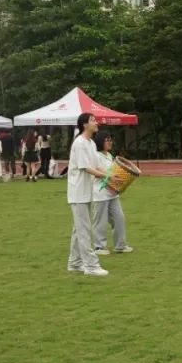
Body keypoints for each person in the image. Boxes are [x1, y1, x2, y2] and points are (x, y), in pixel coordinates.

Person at [68, 113, 110, 276]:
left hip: (86, 192)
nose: (96, 122)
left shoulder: (91, 143)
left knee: (78, 229)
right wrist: (107, 176)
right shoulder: (79, 143)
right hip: (77, 193)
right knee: (84, 230)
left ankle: (75, 263)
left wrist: (112, 174)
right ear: (84, 125)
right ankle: (91, 266)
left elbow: (97, 166)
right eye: (93, 120)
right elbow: (85, 168)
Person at [92, 132, 133, 256]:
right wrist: (109, 175)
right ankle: (99, 247)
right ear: (100, 141)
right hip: (100, 193)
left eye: (110, 140)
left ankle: (120, 245)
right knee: (100, 221)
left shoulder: (109, 155)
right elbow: (95, 171)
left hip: (113, 193)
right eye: (107, 140)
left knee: (119, 218)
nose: (110, 142)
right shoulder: (95, 155)